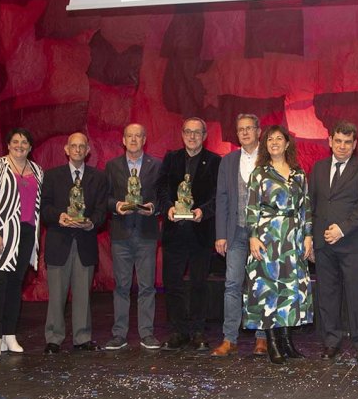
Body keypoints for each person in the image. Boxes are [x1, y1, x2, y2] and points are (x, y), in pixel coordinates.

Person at [244, 125, 313, 364]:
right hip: (268, 237)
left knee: (290, 289)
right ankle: (272, 342)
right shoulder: (259, 173)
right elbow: (251, 207)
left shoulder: (298, 173)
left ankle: (287, 341)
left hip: (293, 237)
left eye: (279, 138)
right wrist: (253, 236)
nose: (274, 142)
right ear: (266, 145)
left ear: (287, 144)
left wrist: (308, 235)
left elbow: (306, 207)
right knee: (270, 288)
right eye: (270, 139)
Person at [309, 121, 358, 362]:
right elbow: (312, 205)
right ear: (330, 141)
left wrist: (342, 229)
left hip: (352, 243)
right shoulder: (317, 168)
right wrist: (311, 238)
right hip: (323, 243)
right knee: (327, 295)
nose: (342, 146)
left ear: (355, 144)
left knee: (356, 294)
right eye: (338, 141)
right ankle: (331, 341)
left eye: (348, 142)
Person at [0, 128, 44, 359]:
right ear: (8, 145)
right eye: (15, 141)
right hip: (0, 233)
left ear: (30, 147)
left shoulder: (37, 170)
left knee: (15, 284)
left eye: (25, 142)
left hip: (26, 234)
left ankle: (9, 334)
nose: (20, 145)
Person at [155, 118, 220, 351]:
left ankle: (198, 330)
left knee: (199, 284)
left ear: (204, 135)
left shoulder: (215, 161)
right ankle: (178, 330)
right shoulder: (171, 159)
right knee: (172, 284)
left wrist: (204, 210)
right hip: (174, 232)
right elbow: (160, 188)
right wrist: (168, 207)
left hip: (200, 232)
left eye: (197, 132)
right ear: (182, 134)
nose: (192, 136)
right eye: (188, 132)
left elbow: (217, 195)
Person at [41, 132, 109, 354]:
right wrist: (58, 216)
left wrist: (91, 223)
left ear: (88, 150)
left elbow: (102, 209)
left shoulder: (98, 178)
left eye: (82, 146)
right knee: (57, 295)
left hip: (85, 243)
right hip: (59, 242)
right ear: (66, 149)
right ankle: (54, 338)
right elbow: (44, 208)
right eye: (74, 146)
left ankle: (82, 337)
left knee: (83, 295)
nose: (78, 150)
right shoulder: (51, 176)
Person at [211, 114, 267, 357]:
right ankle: (229, 338)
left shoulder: (269, 159)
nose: (244, 133)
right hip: (235, 232)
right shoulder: (229, 161)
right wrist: (220, 234)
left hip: (262, 234)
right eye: (240, 129)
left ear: (258, 131)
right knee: (232, 284)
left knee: (260, 285)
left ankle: (262, 338)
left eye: (249, 128)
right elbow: (221, 198)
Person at [104, 123, 161, 350]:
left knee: (147, 286)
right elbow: (105, 197)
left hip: (146, 233)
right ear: (123, 140)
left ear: (145, 139)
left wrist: (154, 207)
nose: (134, 140)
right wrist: (116, 205)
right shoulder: (112, 166)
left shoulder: (156, 165)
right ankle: (119, 334)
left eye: (138, 136)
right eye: (130, 136)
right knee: (121, 286)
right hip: (121, 233)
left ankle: (147, 333)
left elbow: (162, 196)